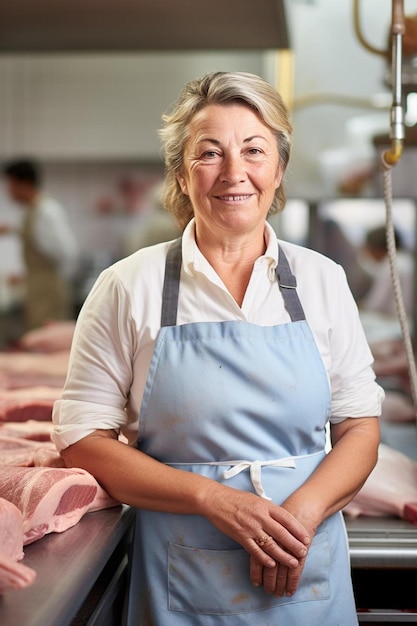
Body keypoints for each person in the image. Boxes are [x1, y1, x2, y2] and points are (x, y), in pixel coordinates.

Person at [52, 72, 383, 625]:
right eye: (210, 153)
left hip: (303, 564)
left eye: (254, 150)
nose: (235, 173)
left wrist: (301, 516)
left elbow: (360, 427)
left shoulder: (322, 280)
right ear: (181, 175)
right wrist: (214, 499)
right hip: (179, 577)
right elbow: (83, 439)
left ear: (278, 171)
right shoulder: (128, 285)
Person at [0, 159, 79, 330]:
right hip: (38, 287)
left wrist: (48, 278)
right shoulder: (32, 211)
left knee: (47, 339)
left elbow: (67, 252)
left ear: (25, 183)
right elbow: (37, 241)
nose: (9, 191)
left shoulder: (47, 211)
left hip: (48, 291)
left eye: (11, 185)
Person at [360, 225, 414, 319]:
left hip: (398, 323)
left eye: (369, 249)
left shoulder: (390, 266)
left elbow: (375, 304)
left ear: (377, 248)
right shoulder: (407, 260)